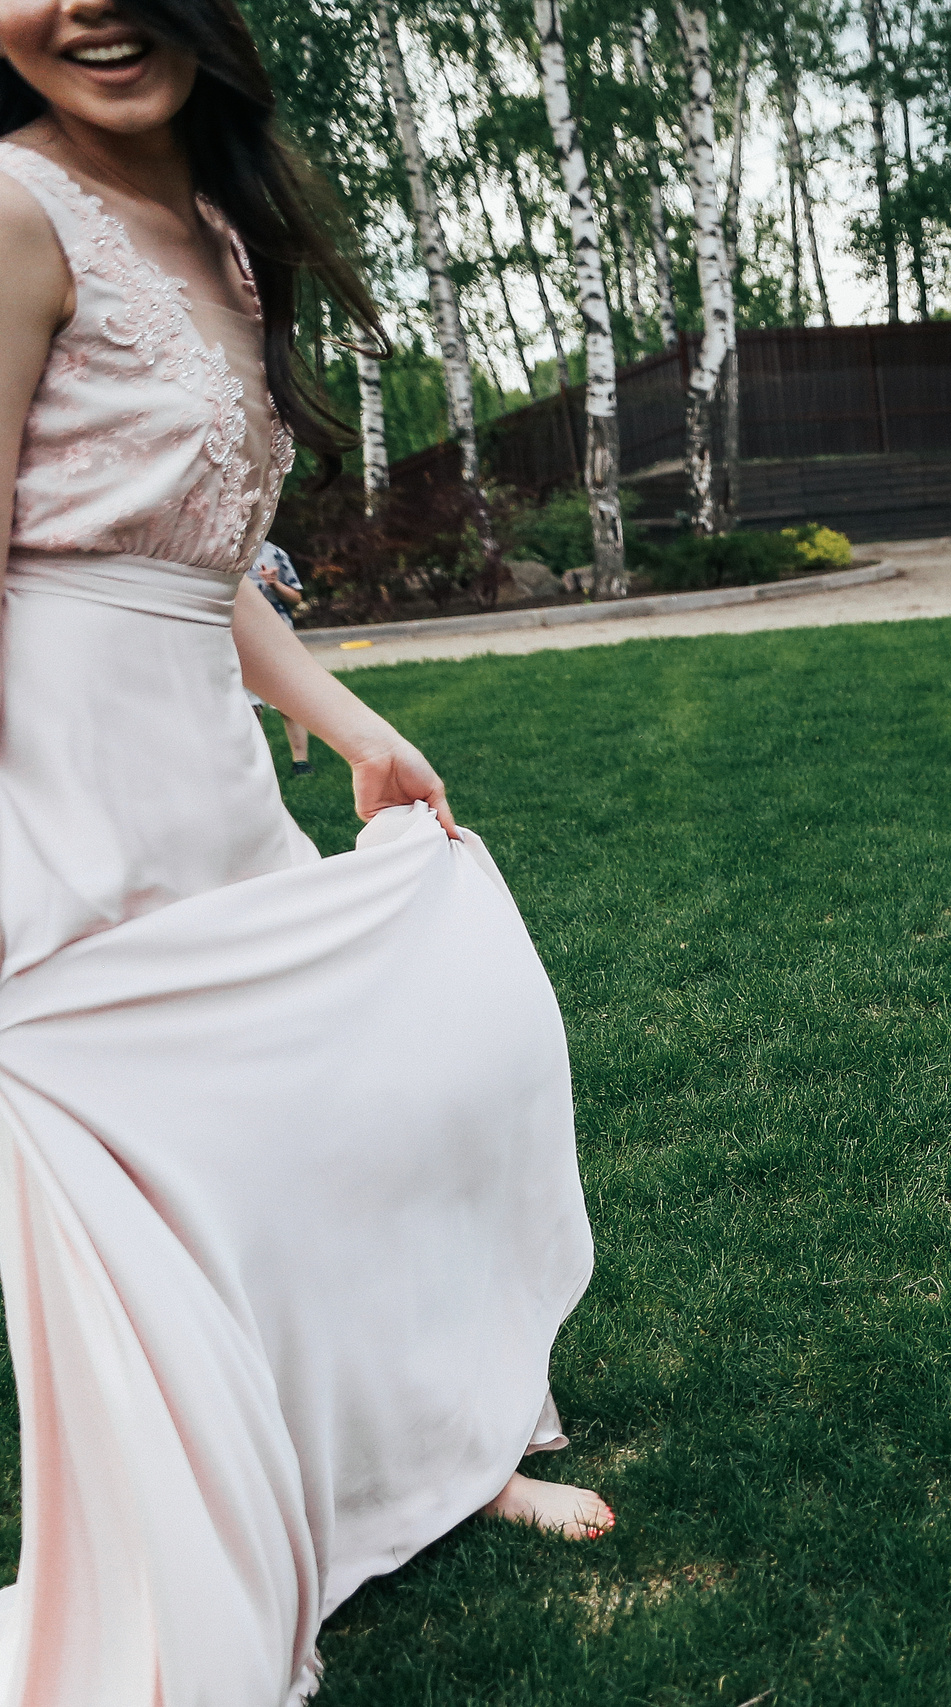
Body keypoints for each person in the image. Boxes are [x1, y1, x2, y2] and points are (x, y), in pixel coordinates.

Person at [0, 0, 612, 1698]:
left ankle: (426, 1464)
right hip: (52, 780)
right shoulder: (9, 207)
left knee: (332, 1133)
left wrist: (344, 722)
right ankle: (185, 1557)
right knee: (129, 1181)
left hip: (196, 754)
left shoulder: (213, 233)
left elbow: (202, 557)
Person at [249, 537, 310, 774]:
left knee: (288, 695)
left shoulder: (273, 552)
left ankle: (301, 761)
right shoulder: (222, 552)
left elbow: (296, 597)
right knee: (249, 703)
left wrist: (274, 584)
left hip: (276, 630)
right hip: (238, 633)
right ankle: (260, 765)